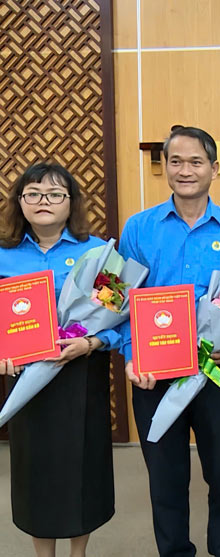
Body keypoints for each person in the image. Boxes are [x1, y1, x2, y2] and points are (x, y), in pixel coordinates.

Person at [120, 126, 220, 557]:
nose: (185, 170)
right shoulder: (139, 228)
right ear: (164, 168)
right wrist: (130, 356)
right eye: (175, 161)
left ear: (215, 168)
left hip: (219, 372)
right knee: (165, 476)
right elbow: (119, 301)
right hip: (155, 375)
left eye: (196, 161)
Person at [0, 163, 119, 557]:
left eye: (54, 194)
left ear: (71, 203)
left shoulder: (98, 252)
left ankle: (78, 553)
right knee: (35, 470)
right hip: (24, 378)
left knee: (81, 467)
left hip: (80, 373)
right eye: (32, 193)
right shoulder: (4, 255)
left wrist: (94, 342)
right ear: (20, 203)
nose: (43, 202)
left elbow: (121, 315)